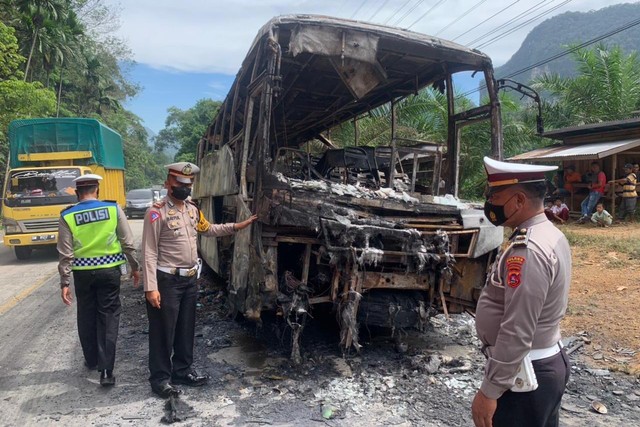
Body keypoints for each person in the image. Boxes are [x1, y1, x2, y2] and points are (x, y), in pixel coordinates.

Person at [141, 162, 258, 398]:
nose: (184, 188)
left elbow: (210, 229)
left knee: (185, 328)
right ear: (168, 183)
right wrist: (150, 287)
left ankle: (182, 371)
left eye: (189, 184)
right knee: (163, 331)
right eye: (179, 183)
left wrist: (237, 226)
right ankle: (160, 378)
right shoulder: (156, 212)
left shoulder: (192, 210)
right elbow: (149, 252)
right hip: (167, 280)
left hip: (190, 279)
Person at [472, 157, 571, 427]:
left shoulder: (527, 251)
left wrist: (490, 390)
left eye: (496, 195)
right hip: (539, 366)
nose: (490, 202)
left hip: (526, 377)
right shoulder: (547, 234)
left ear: (518, 201)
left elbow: (518, 328)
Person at [57, 174, 140, 386]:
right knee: (108, 317)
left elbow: (65, 253)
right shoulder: (113, 209)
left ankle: (92, 359)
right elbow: (127, 242)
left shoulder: (67, 215)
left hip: (82, 274)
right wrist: (134, 266)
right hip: (109, 271)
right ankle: (106, 371)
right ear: (97, 190)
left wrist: (65, 282)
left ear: (77, 193)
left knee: (86, 314)